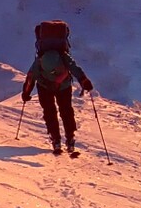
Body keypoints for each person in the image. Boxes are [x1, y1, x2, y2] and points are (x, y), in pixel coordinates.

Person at [21, 19, 93, 156]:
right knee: (66, 110)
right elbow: (75, 68)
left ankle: (56, 140)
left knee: (50, 112)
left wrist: (26, 93)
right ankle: (70, 139)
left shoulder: (40, 61)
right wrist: (84, 81)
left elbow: (31, 78)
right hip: (63, 86)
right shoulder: (64, 57)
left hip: (44, 86)